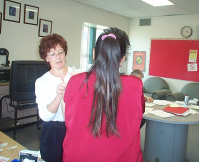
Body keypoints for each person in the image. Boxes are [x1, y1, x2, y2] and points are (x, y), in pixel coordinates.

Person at [62, 27, 144, 162]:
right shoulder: (135, 85)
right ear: (122, 59)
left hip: (79, 156)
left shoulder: (75, 82)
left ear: (94, 53)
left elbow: (68, 119)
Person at [35, 33, 74, 162]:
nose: (58, 57)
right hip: (53, 131)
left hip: (74, 129)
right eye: (52, 54)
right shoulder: (42, 82)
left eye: (60, 52)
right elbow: (45, 116)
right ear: (46, 58)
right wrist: (58, 97)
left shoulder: (77, 75)